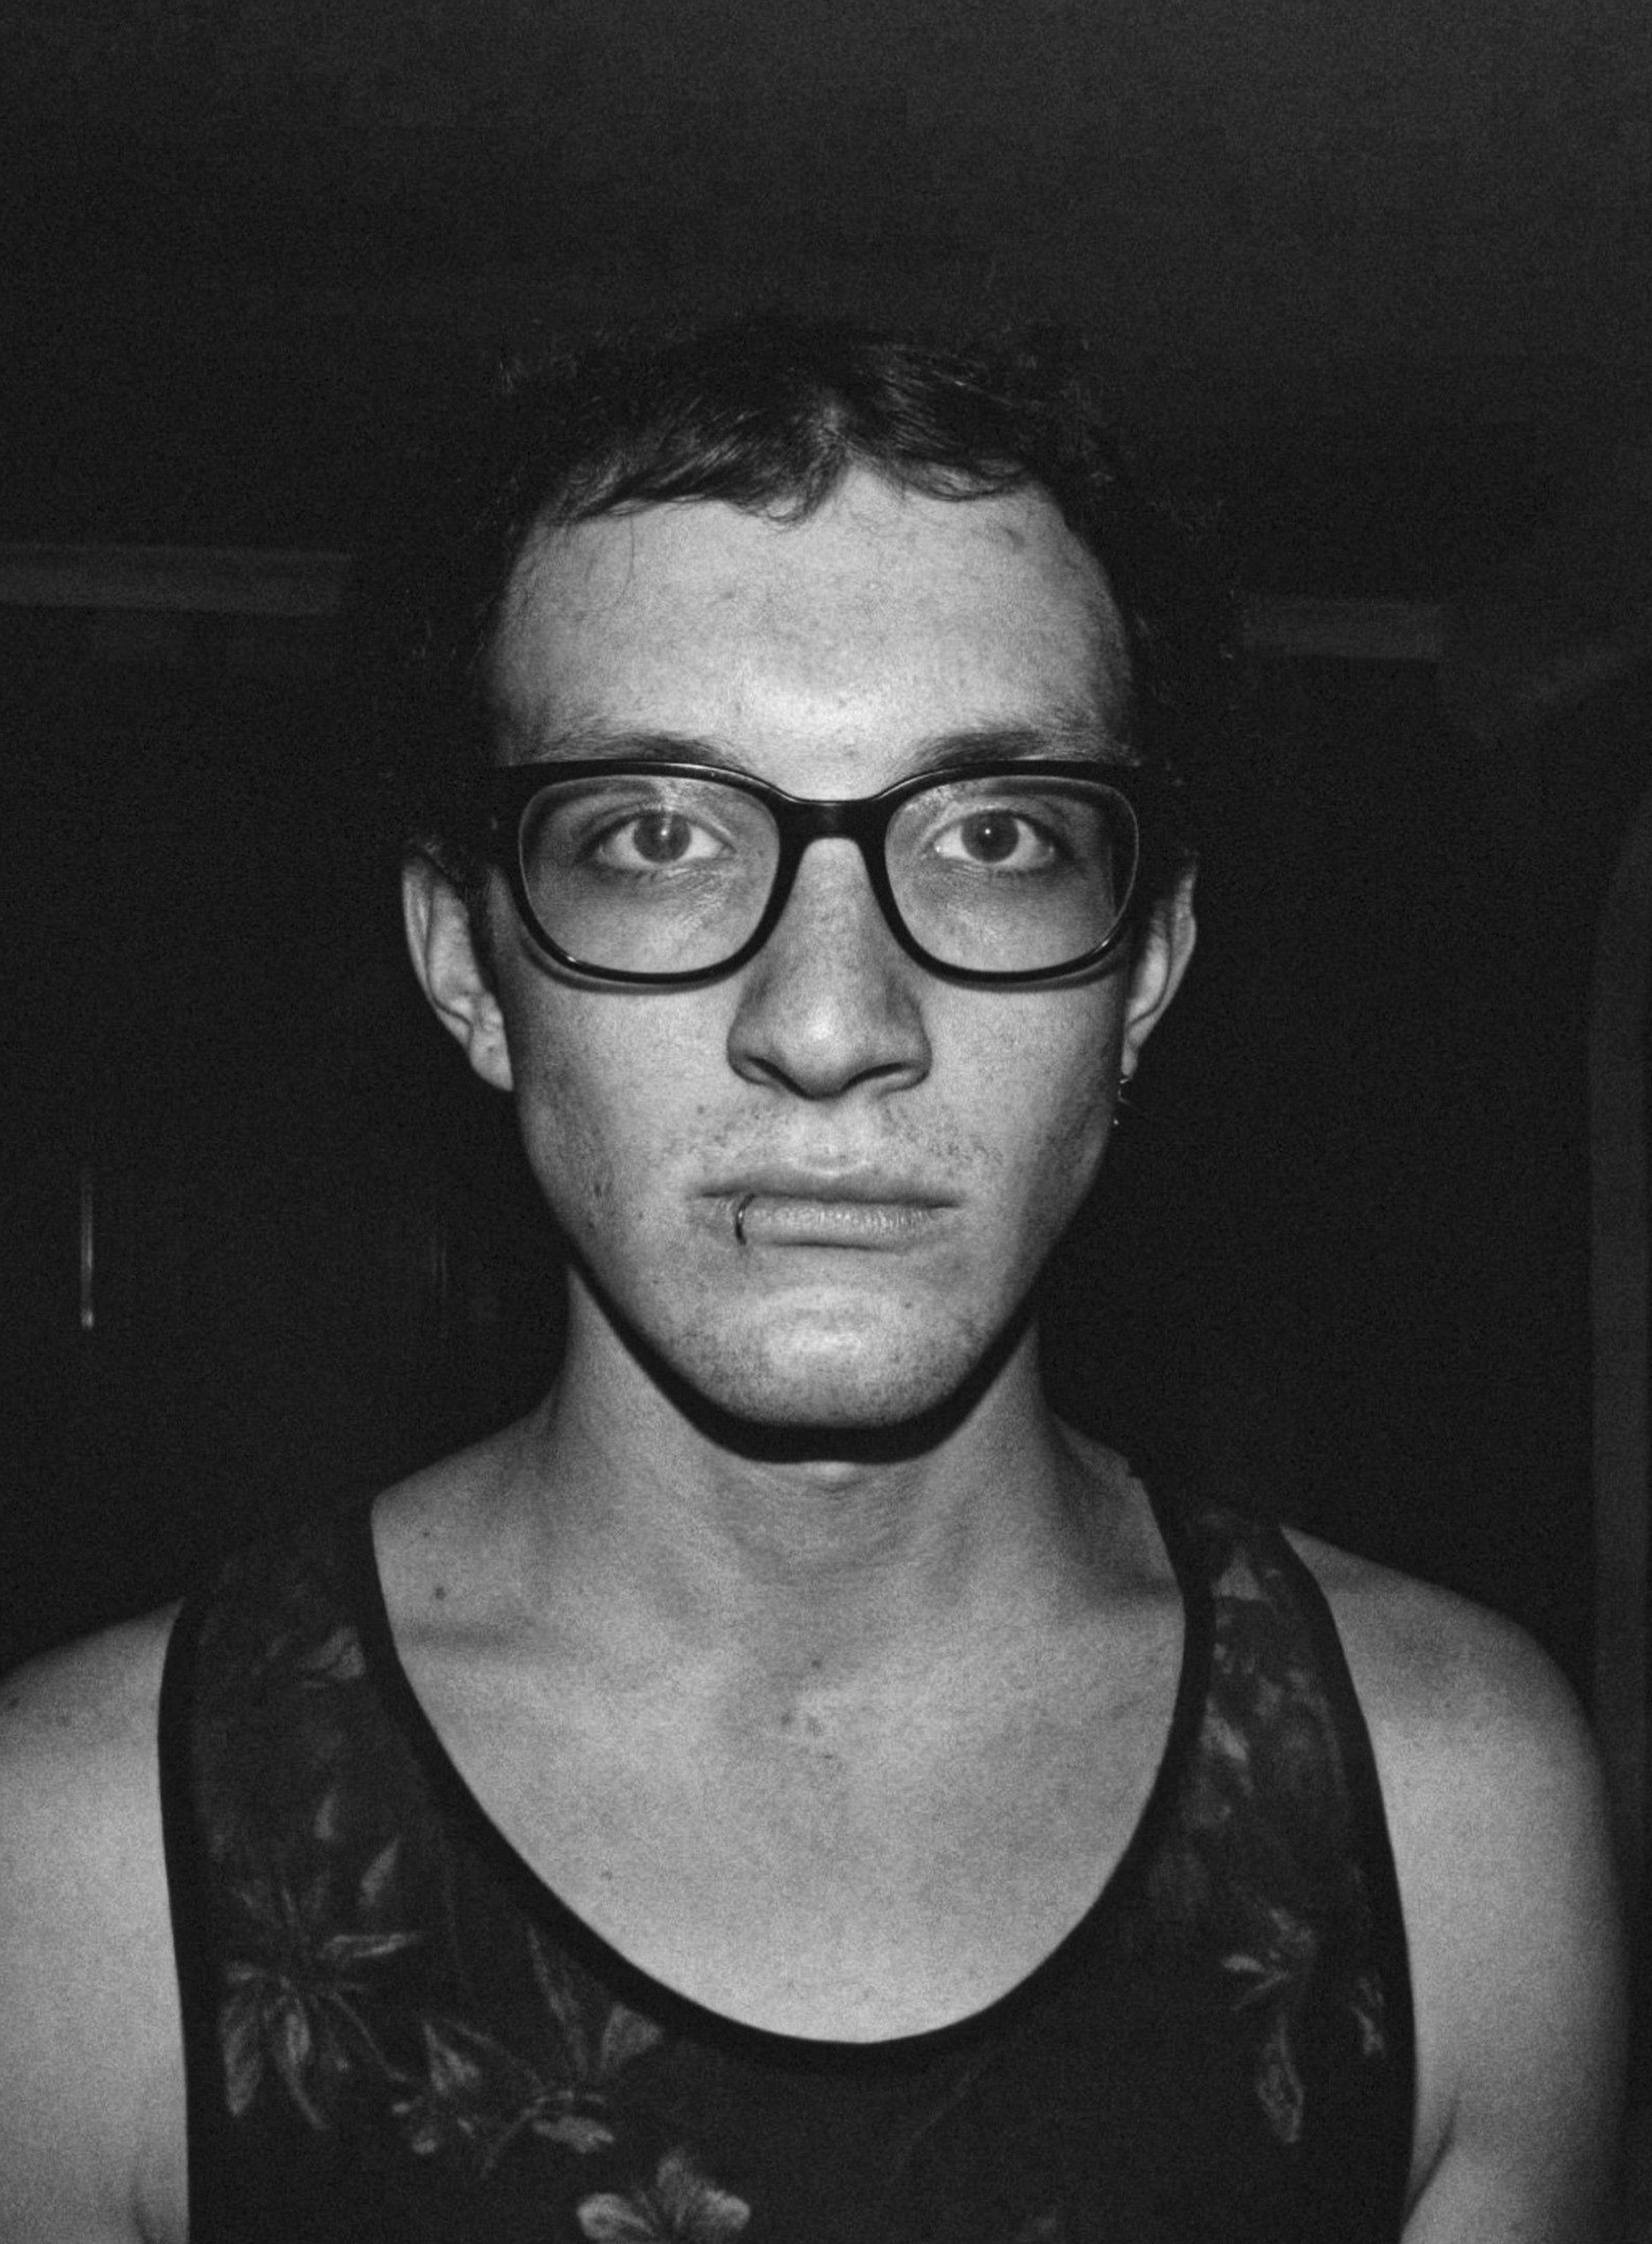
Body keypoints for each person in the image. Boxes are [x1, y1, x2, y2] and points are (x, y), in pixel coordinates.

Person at [0, 317, 1625, 2242]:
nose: (834, 1024)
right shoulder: (81, 1863)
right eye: (656, 837)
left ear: (1145, 971)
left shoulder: (1449, 1810)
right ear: (465, 964)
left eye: (997, 838)